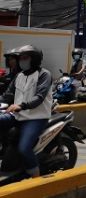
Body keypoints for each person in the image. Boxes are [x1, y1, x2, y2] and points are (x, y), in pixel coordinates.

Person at [0, 45, 53, 178]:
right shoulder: (19, 76)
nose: (21, 61)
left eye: (25, 58)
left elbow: (39, 97)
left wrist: (21, 106)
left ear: (34, 59)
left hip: (36, 118)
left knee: (24, 149)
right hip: (17, 115)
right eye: (21, 58)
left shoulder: (44, 74)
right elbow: (7, 95)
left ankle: (35, 177)